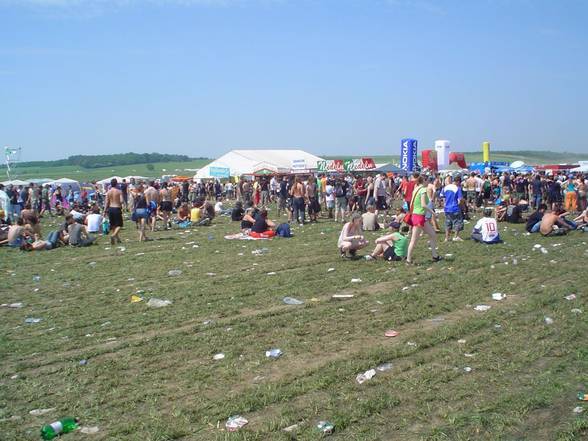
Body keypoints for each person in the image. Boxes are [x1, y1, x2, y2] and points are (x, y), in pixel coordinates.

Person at [406, 175, 441, 264]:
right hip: (419, 216)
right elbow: (423, 205)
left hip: (417, 215)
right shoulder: (423, 190)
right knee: (414, 240)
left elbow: (411, 204)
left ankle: (435, 256)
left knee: (432, 234)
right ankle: (408, 260)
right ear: (424, 181)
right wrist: (433, 212)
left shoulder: (416, 189)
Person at [441, 175, 464, 242]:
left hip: (447, 208)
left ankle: (447, 238)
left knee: (448, 223)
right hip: (455, 207)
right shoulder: (457, 188)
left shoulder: (445, 187)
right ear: (458, 182)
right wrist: (462, 205)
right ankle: (456, 236)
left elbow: (442, 197)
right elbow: (460, 199)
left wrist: (444, 204)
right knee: (457, 222)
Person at [103, 178, 123, 244]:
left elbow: (106, 202)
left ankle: (118, 239)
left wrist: (104, 211)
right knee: (119, 225)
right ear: (116, 184)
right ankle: (113, 235)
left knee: (113, 225)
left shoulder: (108, 192)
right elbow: (122, 201)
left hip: (110, 209)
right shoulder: (119, 191)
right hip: (117, 208)